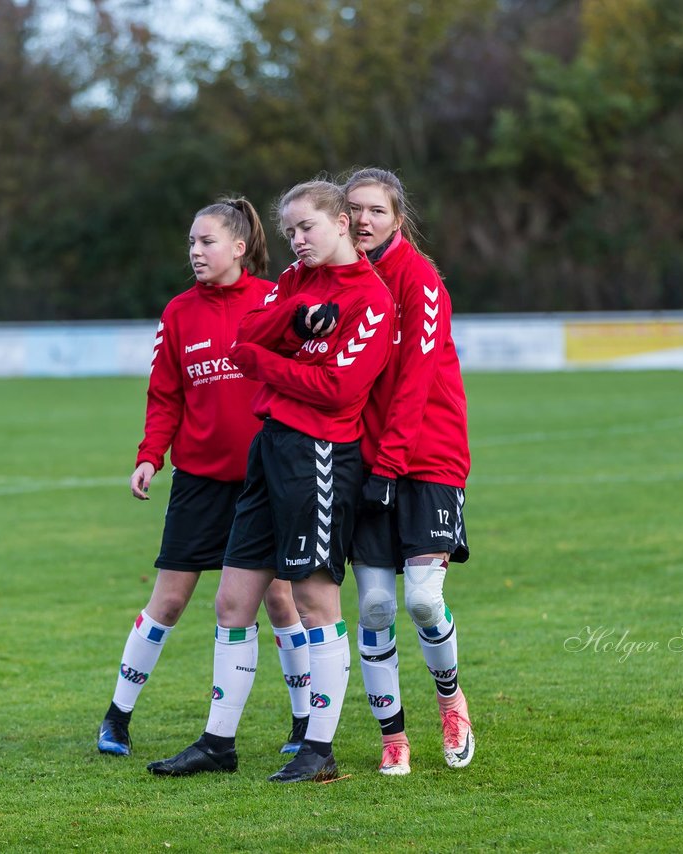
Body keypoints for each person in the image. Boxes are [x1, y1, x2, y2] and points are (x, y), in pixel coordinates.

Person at [146, 179, 395, 783]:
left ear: (341, 222)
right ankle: (217, 742)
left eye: (306, 227)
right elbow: (244, 337)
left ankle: (319, 749)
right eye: (289, 231)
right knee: (232, 601)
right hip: (269, 445)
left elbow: (337, 390)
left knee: (313, 600)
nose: (296, 239)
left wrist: (267, 361)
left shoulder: (372, 298)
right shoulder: (294, 282)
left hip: (320, 453)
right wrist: (296, 326)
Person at [96, 197, 312, 759]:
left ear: (239, 248)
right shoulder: (178, 313)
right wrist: (150, 454)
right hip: (198, 481)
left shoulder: (273, 300)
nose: (195, 251)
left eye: (207, 241)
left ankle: (302, 723)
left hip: (265, 480)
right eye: (191, 242)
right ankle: (116, 718)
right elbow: (165, 393)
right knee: (167, 601)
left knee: (281, 603)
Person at [345, 167, 474, 776]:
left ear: (398, 218)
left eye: (376, 210)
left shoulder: (419, 280)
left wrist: (390, 465)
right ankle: (392, 736)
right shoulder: (335, 280)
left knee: (422, 600)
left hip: (428, 459)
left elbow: (417, 382)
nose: (364, 220)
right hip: (368, 462)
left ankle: (451, 703)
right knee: (373, 608)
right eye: (354, 210)